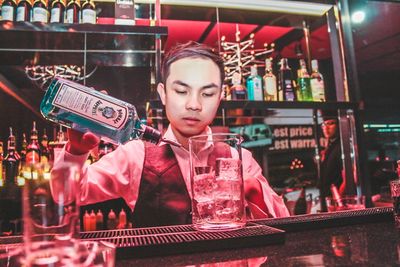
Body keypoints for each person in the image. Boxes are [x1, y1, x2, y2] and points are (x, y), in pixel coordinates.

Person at [55, 41, 289, 227]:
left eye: (207, 94)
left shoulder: (238, 158)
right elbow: (65, 196)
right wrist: (76, 151)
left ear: (219, 99)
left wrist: (252, 188)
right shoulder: (136, 154)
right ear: (164, 94)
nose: (194, 104)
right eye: (181, 91)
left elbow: (283, 222)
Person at [319, 110, 344, 212]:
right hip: (328, 200)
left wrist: (338, 202)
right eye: (324, 124)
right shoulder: (329, 147)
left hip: (338, 202)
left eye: (331, 123)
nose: (326, 127)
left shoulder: (342, 146)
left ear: (339, 125)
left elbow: (348, 178)